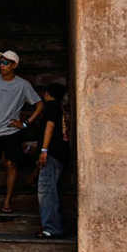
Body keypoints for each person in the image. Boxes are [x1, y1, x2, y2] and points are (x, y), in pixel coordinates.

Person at [0, 51, 43, 214]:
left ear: (14, 65)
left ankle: (7, 201)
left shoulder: (22, 85)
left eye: (5, 63)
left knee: (10, 164)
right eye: (0, 62)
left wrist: (25, 123)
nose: (2, 66)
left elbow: (39, 105)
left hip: (12, 130)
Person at [36, 82, 71, 237]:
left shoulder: (51, 106)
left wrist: (44, 149)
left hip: (52, 153)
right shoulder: (62, 109)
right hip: (60, 152)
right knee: (52, 190)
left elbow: (49, 126)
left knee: (46, 190)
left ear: (47, 94)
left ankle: (51, 228)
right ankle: (54, 226)